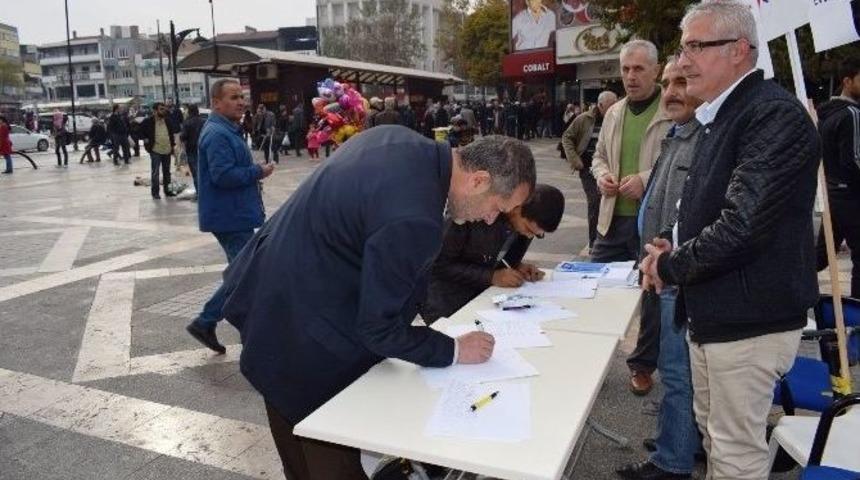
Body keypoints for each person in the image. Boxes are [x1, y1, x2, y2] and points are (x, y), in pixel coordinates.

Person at [219, 128, 535, 479]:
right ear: (478, 180)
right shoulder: (414, 215)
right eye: (497, 208)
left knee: (296, 448)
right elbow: (378, 329)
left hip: (275, 297)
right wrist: (454, 350)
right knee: (329, 458)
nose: (490, 220)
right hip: (304, 337)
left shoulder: (397, 138)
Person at [639, 3, 820, 479]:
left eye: (698, 47)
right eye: (683, 48)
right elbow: (702, 208)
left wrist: (670, 265)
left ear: (740, 51)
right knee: (717, 437)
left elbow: (741, 225)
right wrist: (668, 243)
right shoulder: (724, 115)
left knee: (735, 453)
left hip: (748, 320)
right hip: (717, 313)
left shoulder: (770, 116)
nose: (682, 62)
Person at [616, 57, 703, 480]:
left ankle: (673, 460)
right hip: (661, 265)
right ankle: (683, 437)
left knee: (676, 372)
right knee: (680, 372)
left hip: (678, 272)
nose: (670, 91)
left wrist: (663, 258)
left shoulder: (704, 139)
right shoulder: (677, 133)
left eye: (682, 81)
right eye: (667, 82)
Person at [590, 39, 672, 395]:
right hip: (611, 218)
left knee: (651, 296)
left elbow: (677, 164)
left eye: (639, 68)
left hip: (650, 222)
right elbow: (598, 156)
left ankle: (642, 365)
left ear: (656, 70)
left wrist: (644, 179)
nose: (631, 76)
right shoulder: (613, 112)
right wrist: (601, 176)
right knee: (594, 289)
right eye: (625, 69)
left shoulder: (671, 111)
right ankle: (588, 360)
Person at [185, 79, 275, 353]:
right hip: (230, 217)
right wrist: (258, 171)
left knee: (243, 274)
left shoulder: (227, 130)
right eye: (234, 97)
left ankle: (211, 322)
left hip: (235, 214)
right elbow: (222, 176)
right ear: (216, 102)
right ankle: (211, 322)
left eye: (242, 97)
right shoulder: (217, 134)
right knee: (245, 276)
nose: (241, 102)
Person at [421, 184, 564, 324]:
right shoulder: (473, 212)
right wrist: (491, 276)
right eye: (528, 229)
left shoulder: (522, 226)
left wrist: (516, 266)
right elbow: (438, 265)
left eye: (537, 235)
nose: (528, 235)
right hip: (447, 303)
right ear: (517, 208)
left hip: (484, 300)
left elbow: (493, 256)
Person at [816, 58, 860, 298]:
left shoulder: (828, 114)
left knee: (822, 256)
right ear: (847, 81)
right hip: (851, 197)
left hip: (832, 195)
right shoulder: (851, 113)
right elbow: (853, 160)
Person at [562, 90, 618, 251]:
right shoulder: (584, 119)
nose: (614, 108)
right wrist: (575, 159)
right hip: (588, 168)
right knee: (594, 202)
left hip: (609, 169)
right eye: (610, 105)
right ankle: (594, 242)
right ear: (600, 105)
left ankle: (608, 238)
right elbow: (567, 137)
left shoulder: (617, 118)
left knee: (608, 202)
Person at [141, 102, 180, 199]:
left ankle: (168, 191)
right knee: (156, 173)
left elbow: (171, 134)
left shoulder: (167, 121)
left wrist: (172, 146)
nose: (164, 111)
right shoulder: (148, 121)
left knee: (167, 172)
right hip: (155, 150)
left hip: (167, 149)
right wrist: (145, 139)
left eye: (164, 109)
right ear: (154, 111)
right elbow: (137, 130)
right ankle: (155, 193)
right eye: (161, 109)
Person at [180, 104, 206, 191]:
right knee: (204, 171)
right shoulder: (204, 121)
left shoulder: (187, 122)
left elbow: (183, 137)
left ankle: (199, 193)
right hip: (203, 149)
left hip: (191, 149)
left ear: (189, 111)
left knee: (195, 173)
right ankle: (205, 191)